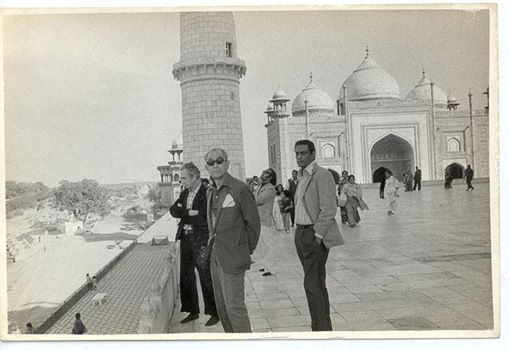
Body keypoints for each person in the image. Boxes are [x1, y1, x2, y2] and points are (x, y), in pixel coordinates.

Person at [204, 148, 261, 333]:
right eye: (211, 162)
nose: (215, 165)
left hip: (233, 257)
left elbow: (253, 224)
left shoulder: (239, 189)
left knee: (235, 308)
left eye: (219, 160)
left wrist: (244, 251)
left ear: (227, 163)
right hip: (216, 257)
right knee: (223, 308)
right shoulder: (211, 191)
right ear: (207, 168)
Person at [293, 140, 344, 331]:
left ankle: (321, 331)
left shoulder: (321, 175)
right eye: (297, 153)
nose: (299, 157)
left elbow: (329, 208)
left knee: (313, 284)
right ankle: (321, 328)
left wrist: (318, 235)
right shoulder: (301, 177)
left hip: (313, 234)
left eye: (303, 153)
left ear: (313, 154)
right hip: (301, 233)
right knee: (314, 283)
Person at [170, 162, 219, 327]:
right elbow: (173, 210)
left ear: (194, 176)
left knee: (205, 276)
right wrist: (189, 212)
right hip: (186, 239)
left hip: (201, 240)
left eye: (184, 177)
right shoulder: (184, 194)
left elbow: (204, 217)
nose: (182, 180)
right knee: (186, 276)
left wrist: (188, 215)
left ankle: (214, 312)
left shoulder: (206, 193)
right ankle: (193, 311)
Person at [254, 168, 278, 277]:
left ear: (271, 178)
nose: (263, 175)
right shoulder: (260, 187)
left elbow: (257, 200)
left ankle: (271, 268)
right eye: (263, 172)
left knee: (268, 245)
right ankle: (265, 265)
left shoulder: (270, 189)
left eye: (266, 174)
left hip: (265, 220)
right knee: (261, 245)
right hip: (259, 220)